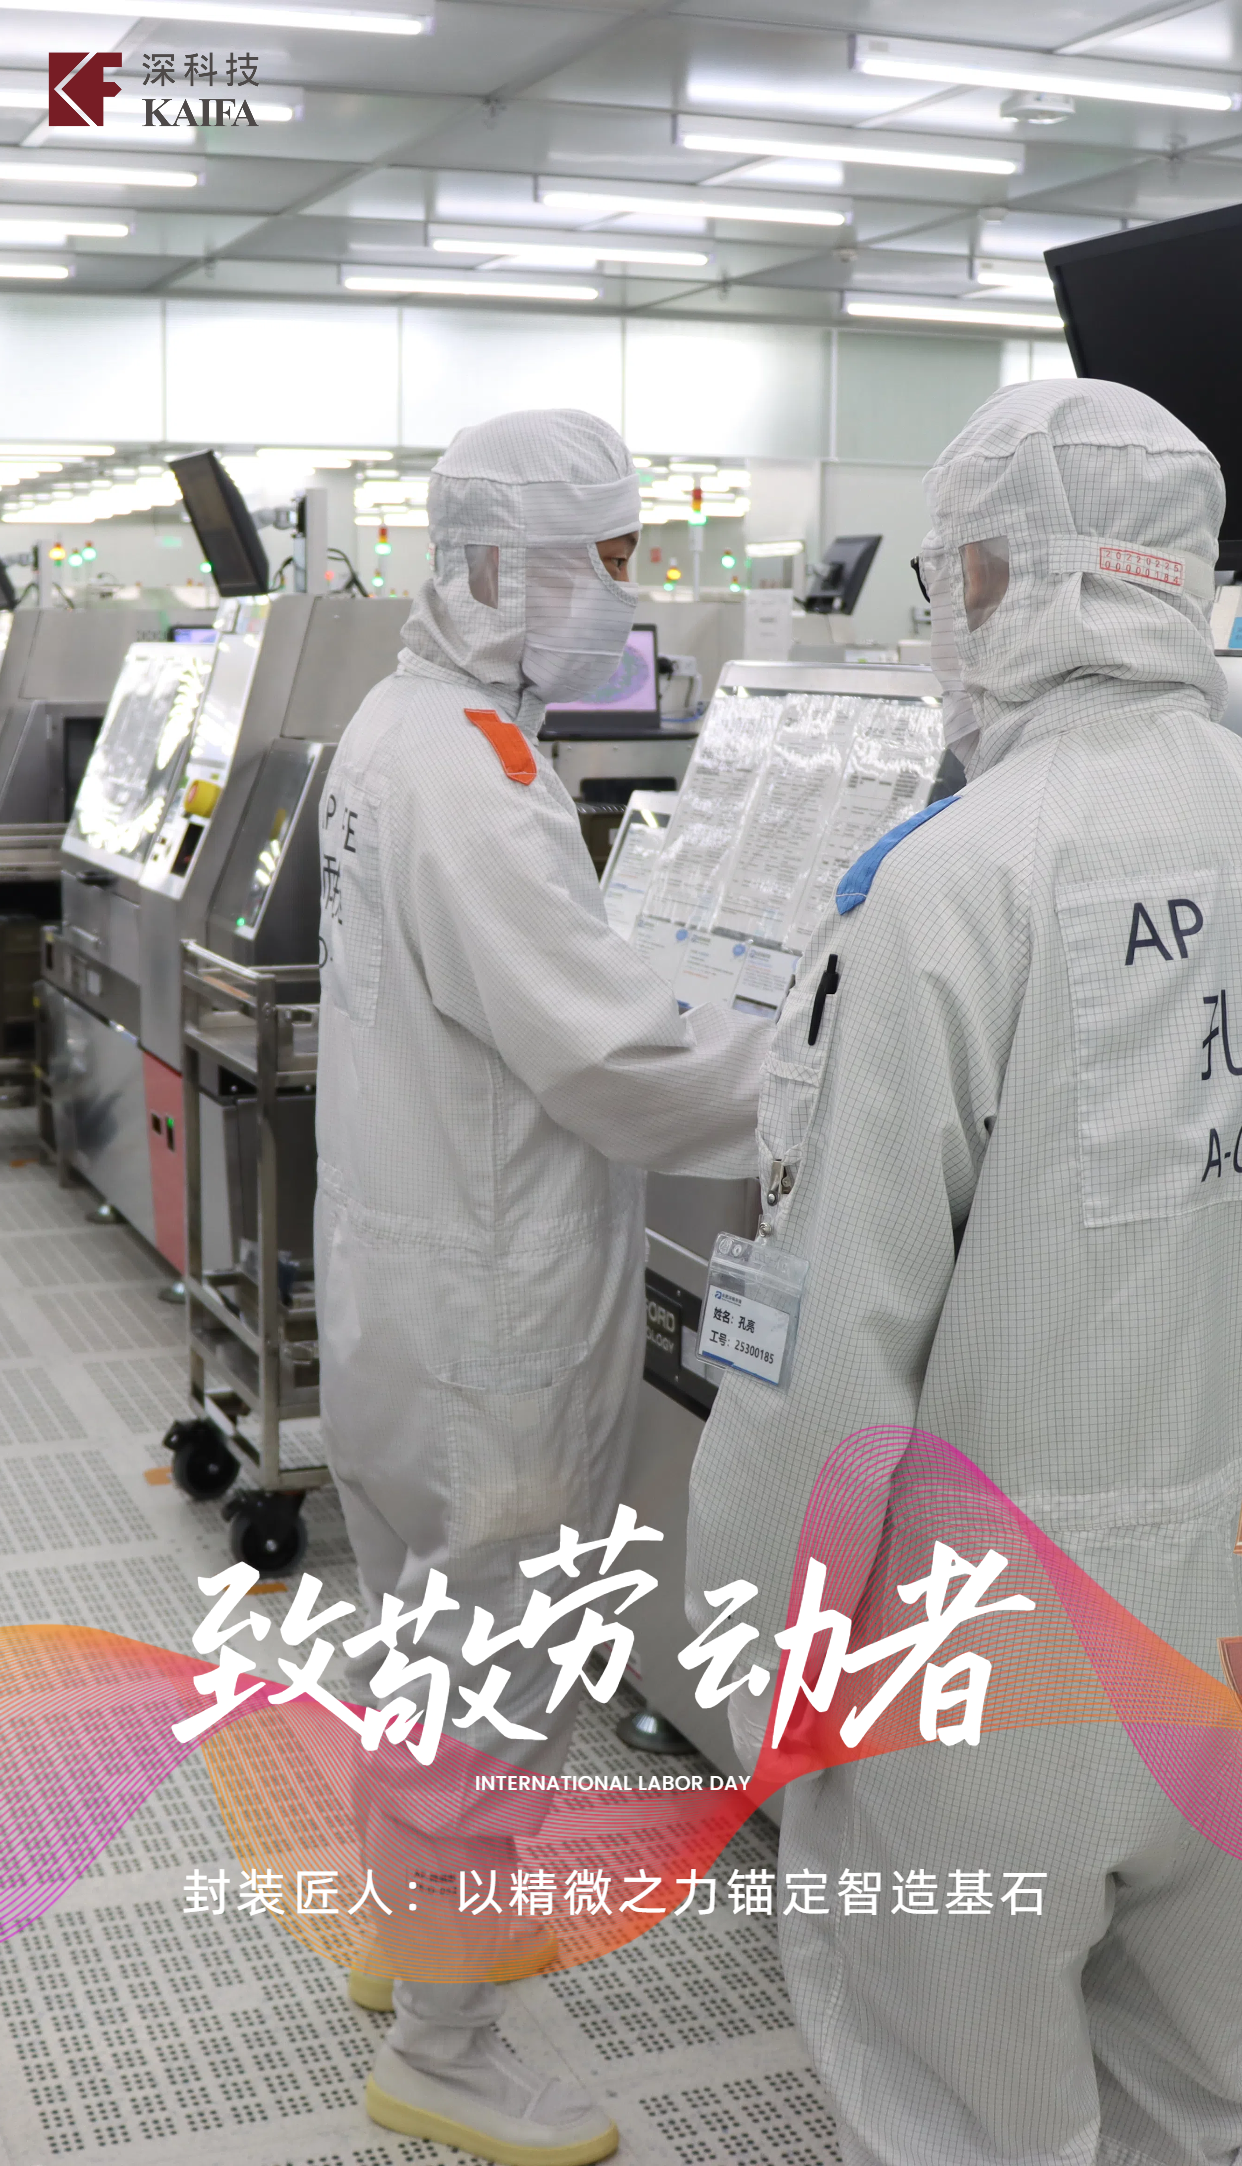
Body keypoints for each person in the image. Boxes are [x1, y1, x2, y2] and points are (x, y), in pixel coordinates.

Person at [685, 377, 1242, 2166]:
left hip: (988, 1653)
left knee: (959, 2110)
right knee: (1200, 2091)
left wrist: (759, 1651)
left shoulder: (947, 882)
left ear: (1001, 575)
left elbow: (827, 1337)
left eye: (950, 578)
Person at [314, 407, 768, 2164]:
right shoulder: (470, 776)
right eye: (608, 557)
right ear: (503, 566)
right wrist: (809, 1069)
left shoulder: (402, 725)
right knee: (489, 1659)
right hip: (489, 1301)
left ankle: (406, 1930)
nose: (627, 593)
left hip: (401, 1268)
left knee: (417, 1623)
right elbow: (610, 1060)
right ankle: (446, 2050)